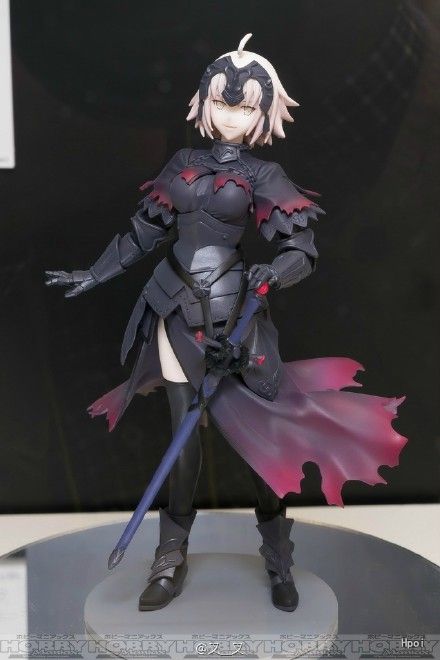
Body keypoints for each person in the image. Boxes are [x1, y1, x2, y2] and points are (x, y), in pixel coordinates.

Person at [45, 34, 407, 614]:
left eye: (243, 106)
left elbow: (302, 248)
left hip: (236, 318)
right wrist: (95, 272)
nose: (231, 114)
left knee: (261, 443)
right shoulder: (183, 165)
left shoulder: (264, 173)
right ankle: (169, 559)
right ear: (204, 102)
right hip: (173, 308)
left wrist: (272, 274)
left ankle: (278, 556)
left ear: (262, 112)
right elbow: (144, 231)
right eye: (221, 101)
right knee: (182, 446)